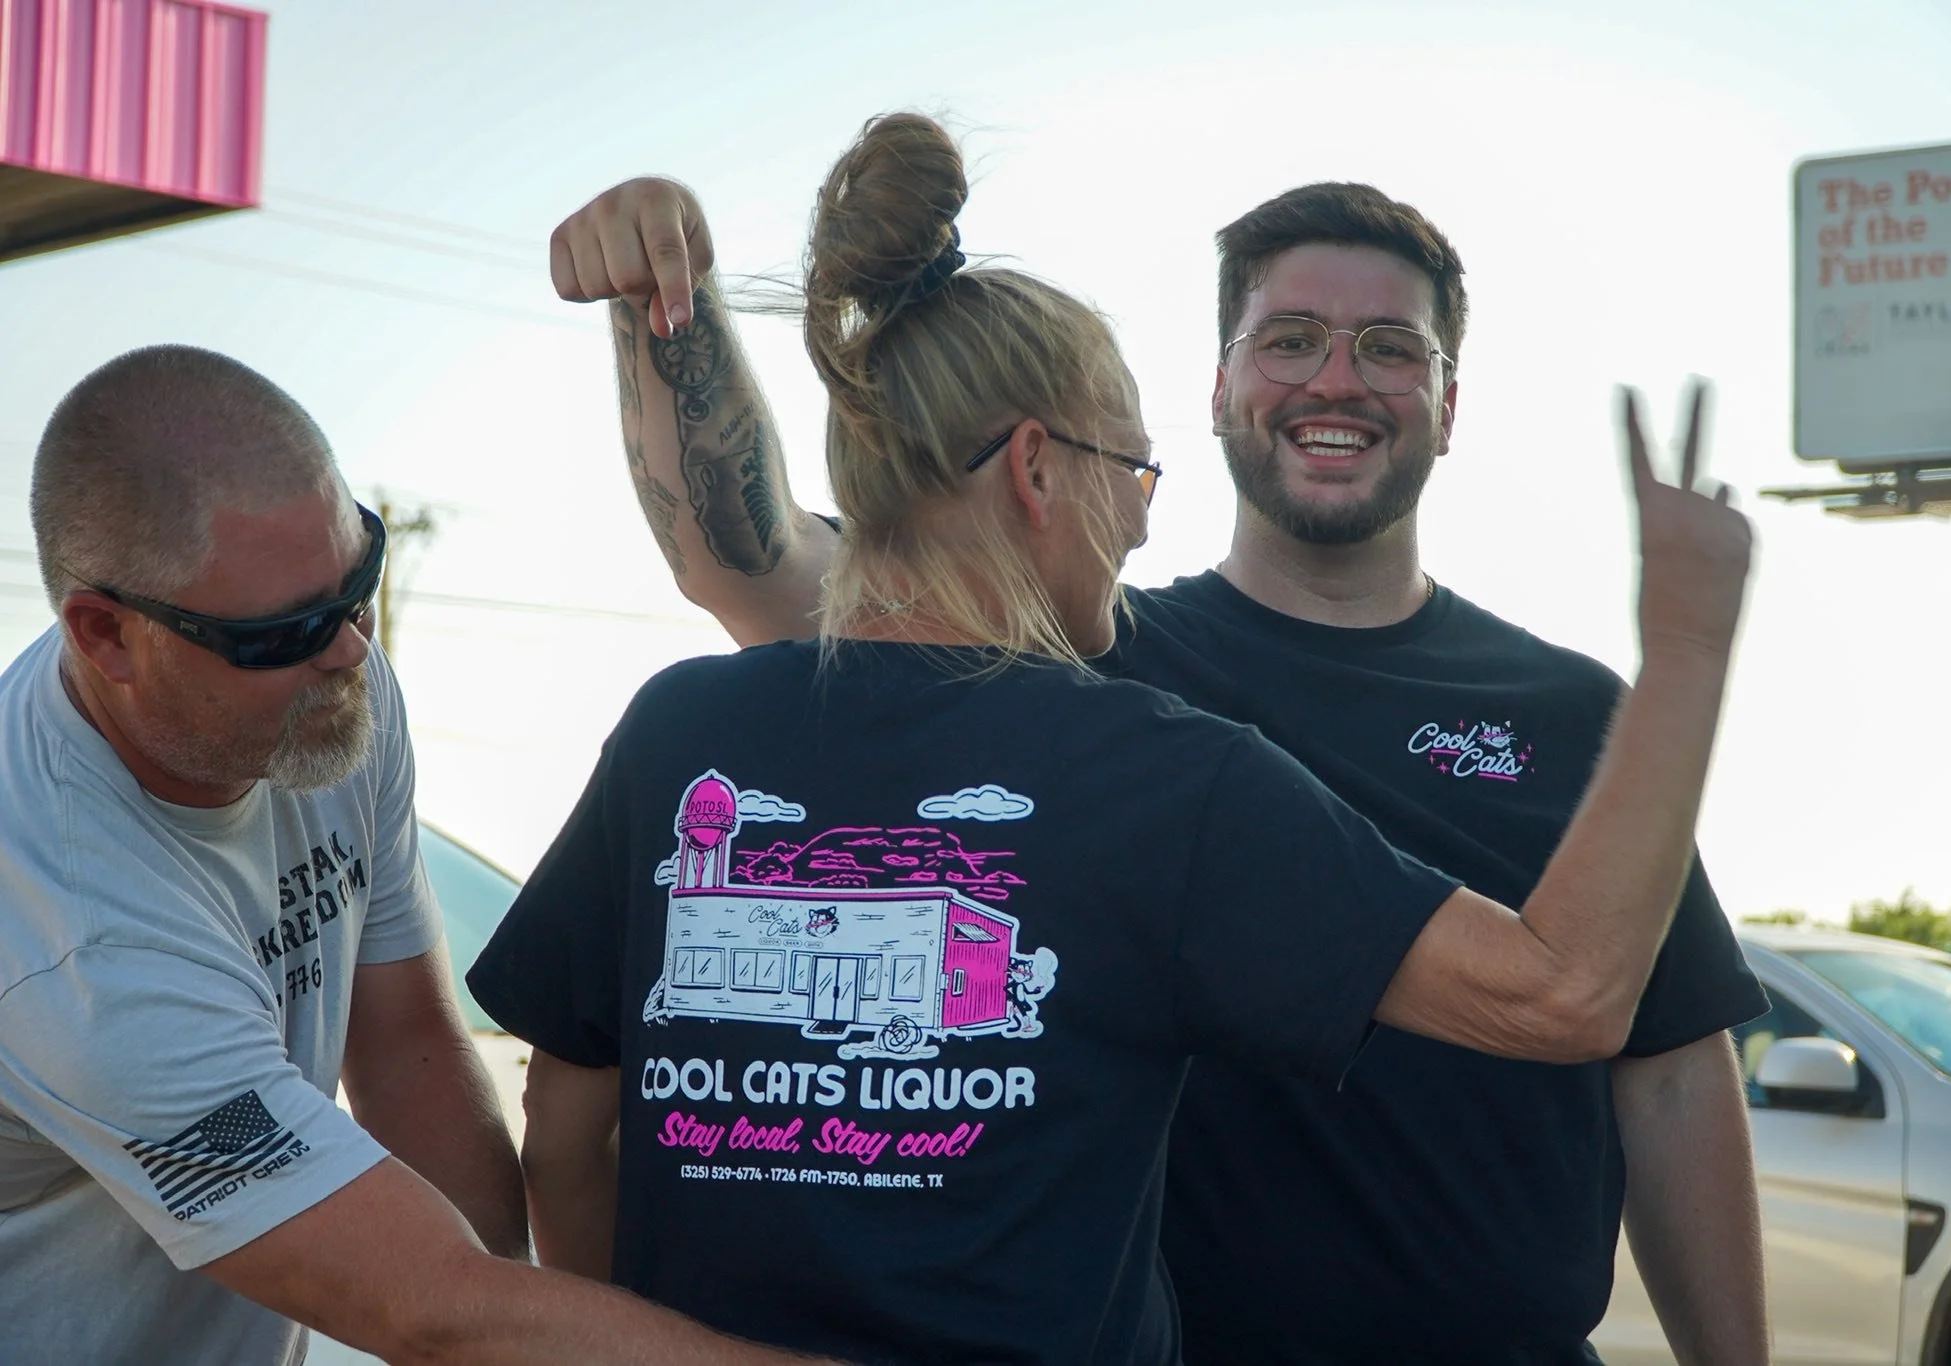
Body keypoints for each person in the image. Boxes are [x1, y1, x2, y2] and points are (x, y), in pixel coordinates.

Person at [474, 111, 1753, 1366]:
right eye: (1290, 338)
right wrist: (666, 293)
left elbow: (1671, 1067)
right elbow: (752, 550)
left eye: (1387, 346)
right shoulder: (1102, 677)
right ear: (1214, 387)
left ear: (1447, 395)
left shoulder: (1579, 716)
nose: (1336, 376)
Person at [0, 346, 833, 1365]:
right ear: (106, 636)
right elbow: (428, 1308)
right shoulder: (74, 945)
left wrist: (505, 1303)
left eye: (358, 581)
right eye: (285, 632)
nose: (350, 649)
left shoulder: (318, 700)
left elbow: (405, 1048)